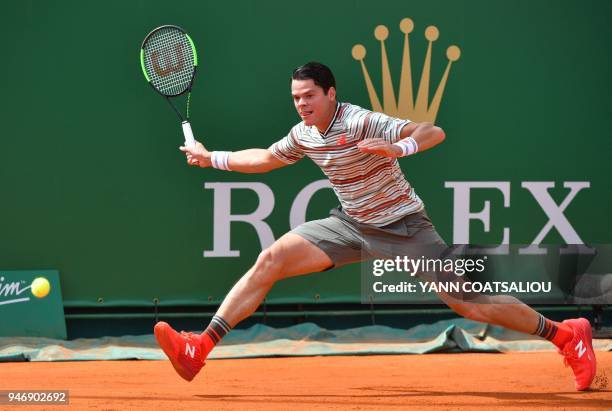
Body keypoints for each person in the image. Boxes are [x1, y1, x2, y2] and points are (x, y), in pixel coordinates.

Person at [154, 62, 596, 390]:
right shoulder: (304, 134)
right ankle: (200, 347)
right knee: (270, 258)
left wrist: (397, 147)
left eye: (309, 95)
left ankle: (567, 335)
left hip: (404, 227)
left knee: (470, 304)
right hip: (350, 225)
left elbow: (432, 130)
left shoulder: (360, 119)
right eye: (295, 98)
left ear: (330, 93)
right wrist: (212, 158)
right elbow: (267, 159)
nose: (302, 104)